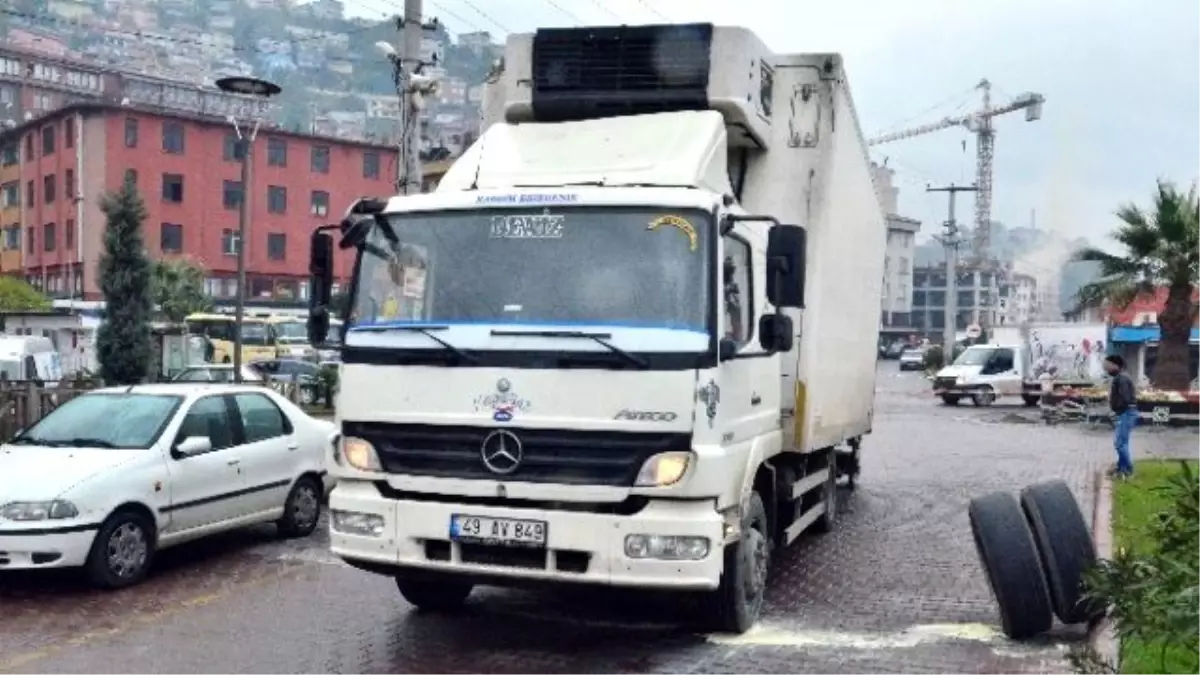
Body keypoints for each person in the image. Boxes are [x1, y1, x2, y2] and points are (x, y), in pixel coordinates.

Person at [1103, 355, 1138, 478]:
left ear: (1115, 365)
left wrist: (1117, 410)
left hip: (1126, 413)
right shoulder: (1120, 377)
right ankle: (1121, 467)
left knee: (1119, 443)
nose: (1105, 368)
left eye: (1107, 365)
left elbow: (1126, 398)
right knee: (1123, 442)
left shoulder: (1122, 378)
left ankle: (1128, 470)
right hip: (1125, 412)